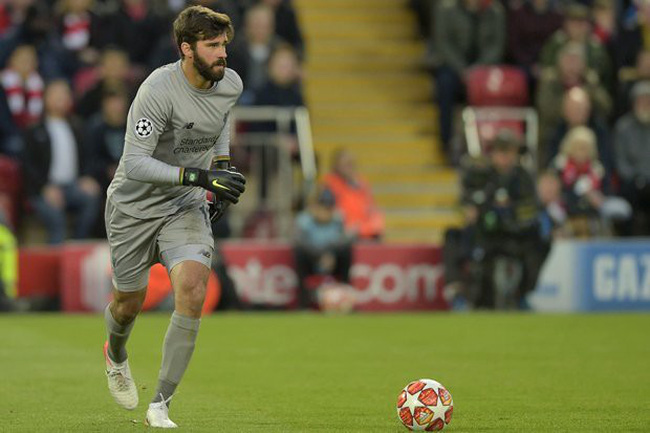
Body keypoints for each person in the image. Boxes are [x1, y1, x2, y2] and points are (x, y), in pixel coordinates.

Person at [102, 6, 246, 428]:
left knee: (194, 287)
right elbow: (135, 163)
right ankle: (115, 353)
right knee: (128, 305)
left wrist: (221, 166)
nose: (222, 53)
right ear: (186, 48)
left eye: (224, 44)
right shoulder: (157, 91)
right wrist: (199, 175)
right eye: (212, 45)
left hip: (183, 205)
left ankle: (160, 403)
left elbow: (219, 120)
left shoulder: (230, 83)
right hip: (133, 209)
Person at [21, 79, 101, 244]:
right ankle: (56, 251)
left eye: (65, 94)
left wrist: (86, 177)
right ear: (45, 98)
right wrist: (44, 187)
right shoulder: (34, 129)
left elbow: (88, 156)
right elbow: (28, 166)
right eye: (56, 93)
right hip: (43, 188)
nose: (61, 97)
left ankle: (78, 243)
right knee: (56, 217)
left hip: (73, 185)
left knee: (92, 197)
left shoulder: (78, 127)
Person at [434, 0, 506, 152]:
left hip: (485, 70)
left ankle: (492, 142)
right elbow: (443, 44)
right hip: (454, 69)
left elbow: (496, 46)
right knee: (444, 83)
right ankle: (446, 140)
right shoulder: (446, 9)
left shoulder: (494, 11)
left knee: (500, 85)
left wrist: (478, 69)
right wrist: (463, 70)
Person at [293, 188, 352, 309]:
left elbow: (343, 240)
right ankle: (303, 302)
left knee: (346, 252)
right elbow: (300, 242)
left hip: (332, 260)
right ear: (315, 207)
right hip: (312, 259)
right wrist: (320, 256)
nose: (325, 212)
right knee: (299, 253)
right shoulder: (304, 220)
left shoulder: (338, 220)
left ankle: (344, 294)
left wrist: (331, 254)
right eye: (322, 207)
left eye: (328, 208)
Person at [322, 149, 385, 240]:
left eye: (351, 164)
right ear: (336, 165)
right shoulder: (329, 183)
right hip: (342, 229)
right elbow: (324, 210)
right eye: (346, 164)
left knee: (377, 219)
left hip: (361, 227)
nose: (350, 167)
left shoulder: (361, 183)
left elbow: (370, 206)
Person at [614, 80, 650, 235]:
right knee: (629, 193)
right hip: (632, 181)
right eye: (641, 101)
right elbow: (620, 161)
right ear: (633, 103)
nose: (645, 105)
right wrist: (636, 178)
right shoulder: (623, 127)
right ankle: (629, 237)